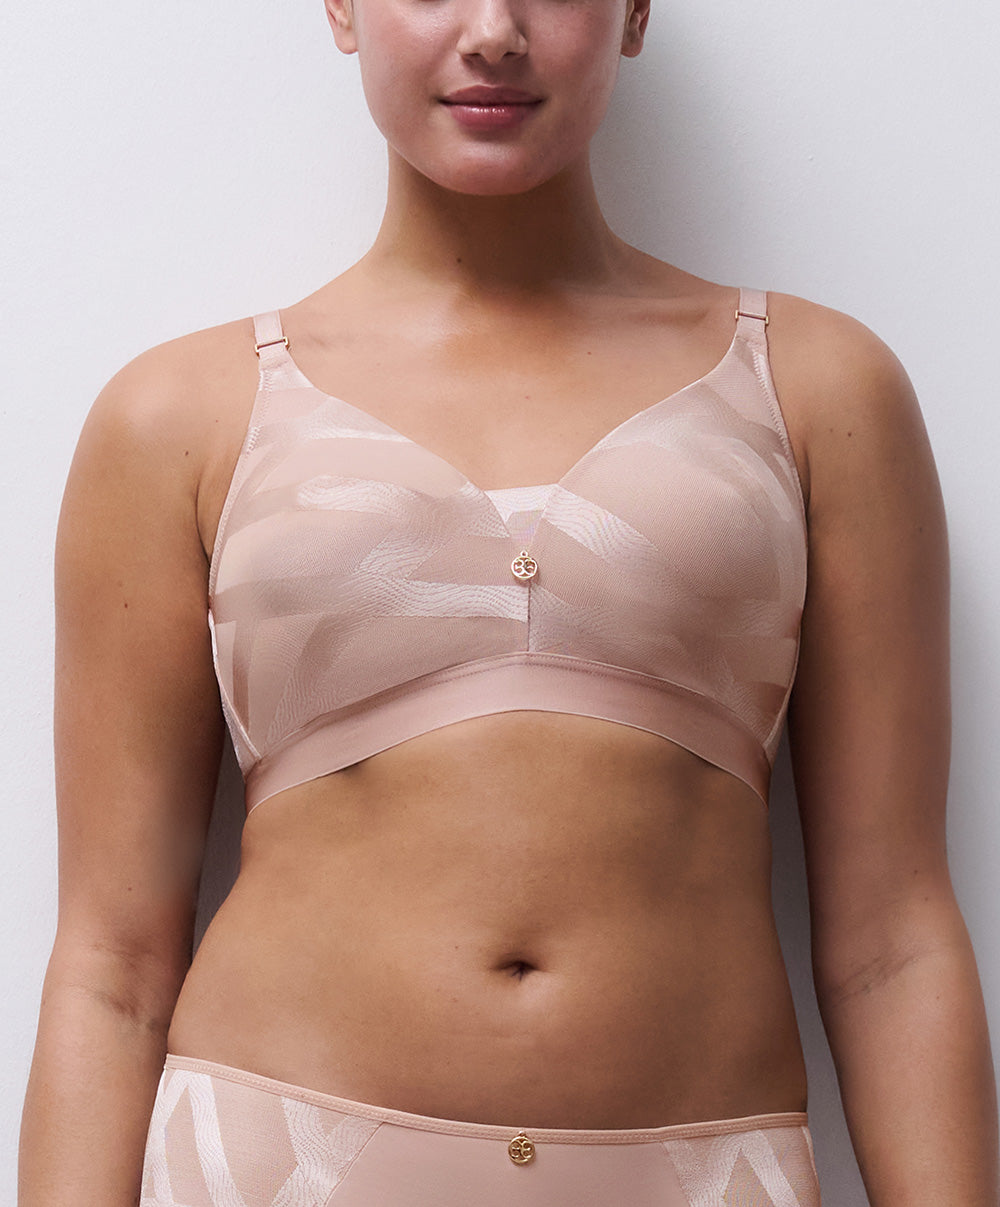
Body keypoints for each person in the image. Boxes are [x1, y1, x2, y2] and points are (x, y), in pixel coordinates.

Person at [18, 0, 999, 1201]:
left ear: (633, 12)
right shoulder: (177, 415)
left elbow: (893, 942)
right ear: (343, 7)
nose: (493, 31)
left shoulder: (816, 387)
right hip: (273, 1160)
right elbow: (111, 965)